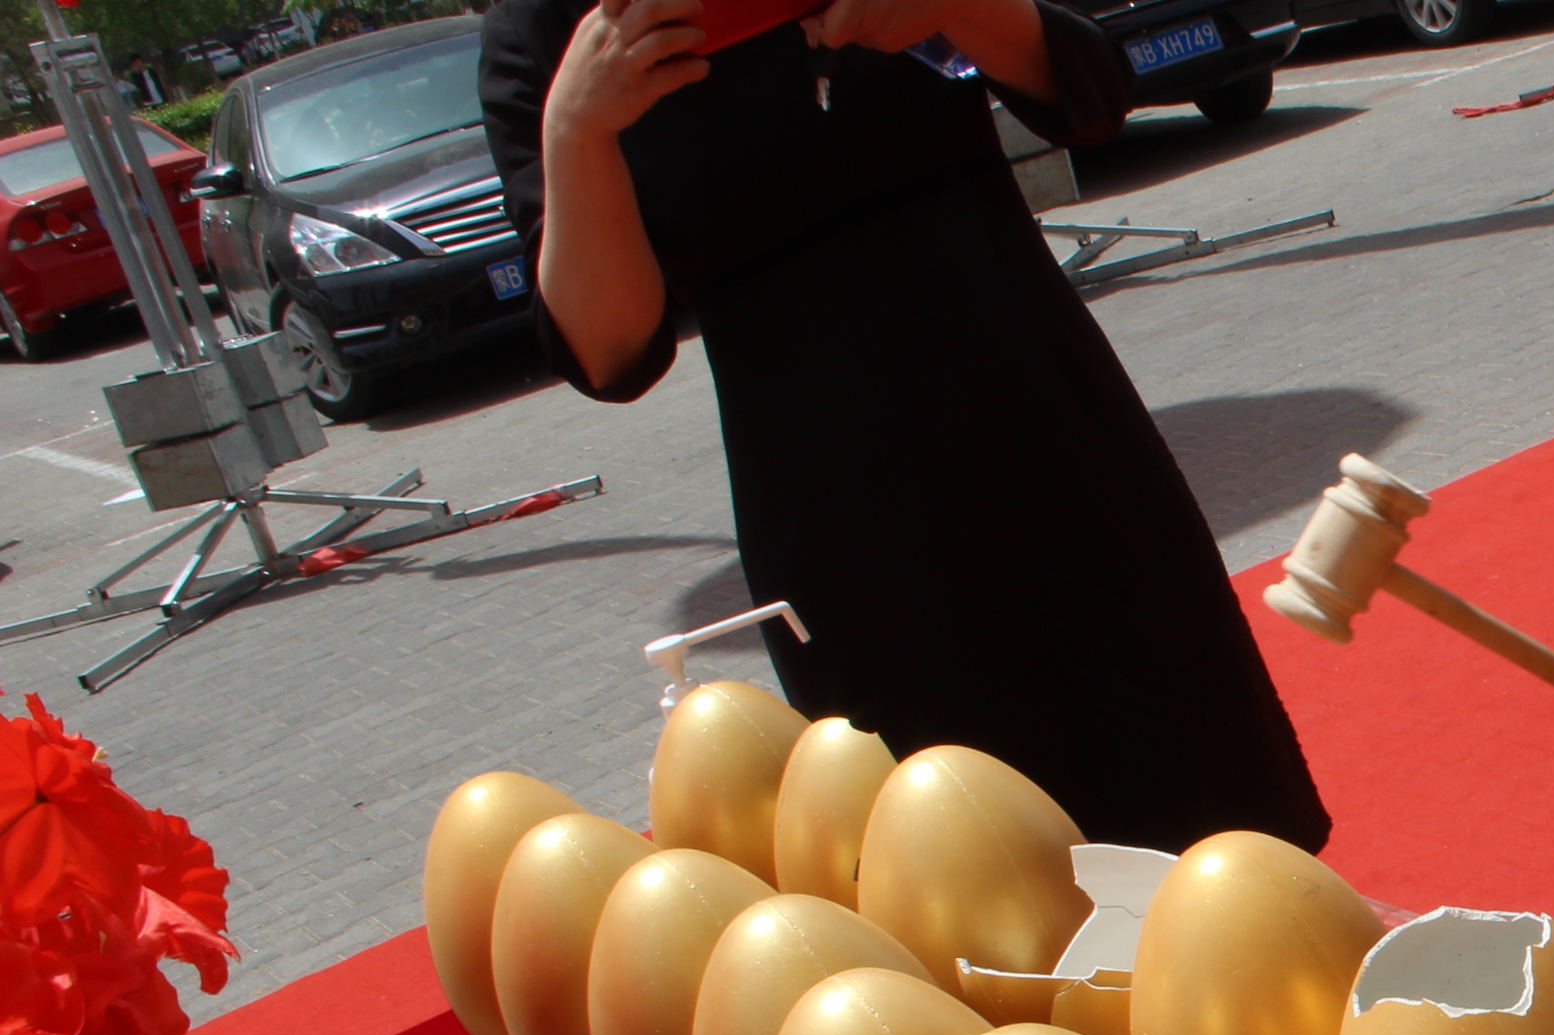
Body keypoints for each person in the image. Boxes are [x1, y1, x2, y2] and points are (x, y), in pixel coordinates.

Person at [479, 0, 1330, 852]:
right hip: (837, 517)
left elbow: (1094, 93)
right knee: (962, 869)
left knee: (1216, 821)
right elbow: (611, 356)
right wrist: (576, 133)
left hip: (1049, 430)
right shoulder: (547, 30)